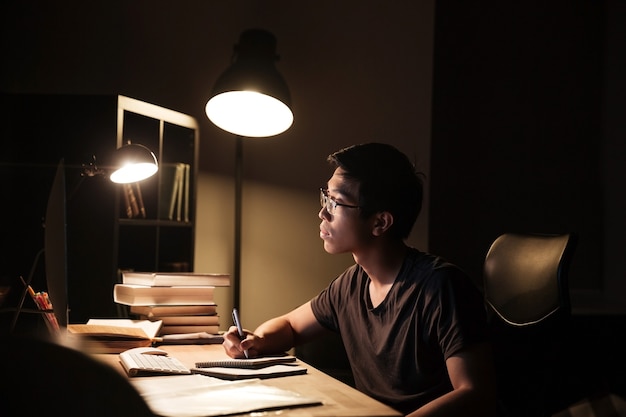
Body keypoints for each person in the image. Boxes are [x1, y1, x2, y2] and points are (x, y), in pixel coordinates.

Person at [223, 142, 497, 417]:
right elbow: (291, 325)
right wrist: (256, 340)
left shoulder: (441, 287)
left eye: (336, 202)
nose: (322, 213)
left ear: (380, 222)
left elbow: (474, 393)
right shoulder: (351, 285)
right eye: (325, 197)